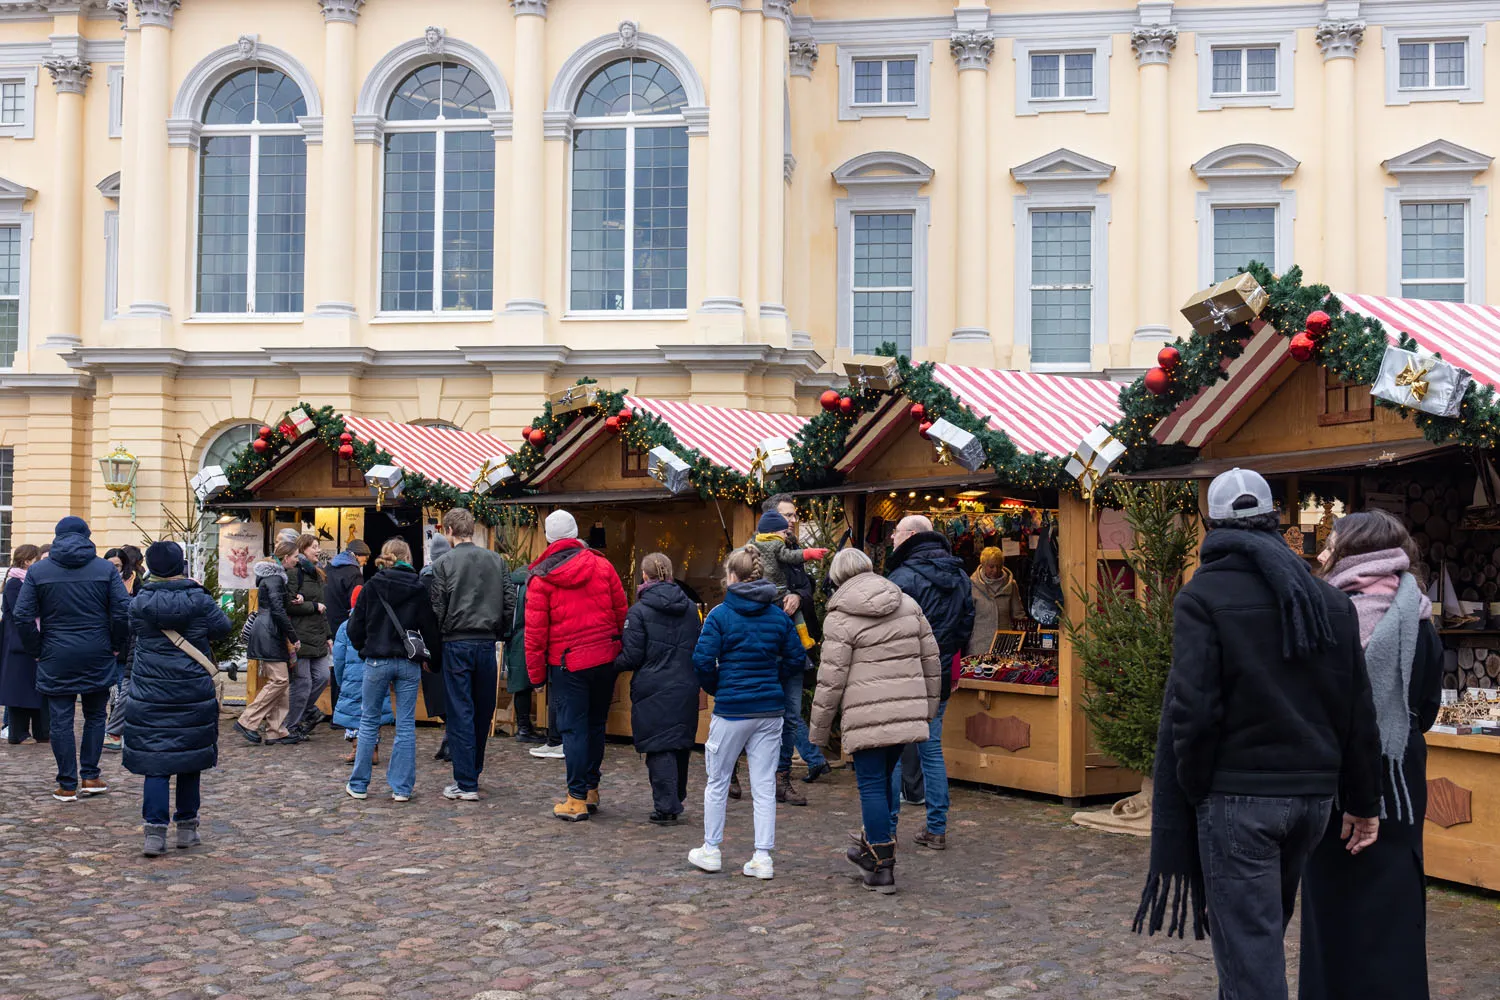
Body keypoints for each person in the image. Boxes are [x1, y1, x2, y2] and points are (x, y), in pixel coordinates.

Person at [1136, 468, 1381, 1000]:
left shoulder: (1202, 597)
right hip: (1311, 799)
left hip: (1237, 795)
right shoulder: (1331, 602)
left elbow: (1194, 709)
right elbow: (1357, 710)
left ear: (1212, 524)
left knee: (1251, 949)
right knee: (1261, 936)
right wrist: (1364, 801)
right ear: (1274, 520)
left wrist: (1197, 788)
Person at [1300, 510, 1443, 999]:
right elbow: (1426, 708)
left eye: (1331, 541)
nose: (1323, 551)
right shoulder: (1418, 614)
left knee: (1330, 912)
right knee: (1396, 911)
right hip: (1400, 784)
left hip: (1334, 782)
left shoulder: (1326, 613)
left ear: (1352, 550)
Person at [810, 548, 940, 894]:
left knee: (870, 784)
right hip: (904, 713)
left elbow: (830, 678)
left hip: (866, 714)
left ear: (837, 578)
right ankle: (872, 849)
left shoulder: (839, 616)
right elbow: (931, 660)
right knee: (882, 781)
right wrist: (926, 710)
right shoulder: (908, 604)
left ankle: (882, 864)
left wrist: (818, 732)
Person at [688, 546, 806, 880]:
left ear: (732, 577)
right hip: (769, 709)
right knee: (765, 784)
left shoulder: (720, 615)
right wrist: (773, 681)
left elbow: (701, 660)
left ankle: (711, 849)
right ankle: (762, 856)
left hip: (732, 708)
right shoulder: (779, 617)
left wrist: (717, 686)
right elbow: (797, 660)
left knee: (717, 781)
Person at [123, 541, 231, 856]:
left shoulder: (140, 602)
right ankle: (187, 830)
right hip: (191, 689)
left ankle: (154, 835)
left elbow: (129, 631)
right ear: (180, 566)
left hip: (150, 691)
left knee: (155, 764)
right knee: (188, 760)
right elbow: (223, 628)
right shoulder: (197, 599)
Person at [14, 516, 132, 802]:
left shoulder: (39, 571)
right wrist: (115, 645)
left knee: (61, 720)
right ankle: (90, 776)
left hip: (55, 653)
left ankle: (67, 783)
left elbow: (22, 615)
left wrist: (38, 650)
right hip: (97, 650)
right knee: (95, 715)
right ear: (87, 536)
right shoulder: (105, 568)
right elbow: (122, 612)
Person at [526, 509, 628, 821]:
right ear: (575, 533)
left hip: (568, 662)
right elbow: (621, 609)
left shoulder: (542, 577)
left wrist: (536, 676)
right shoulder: (602, 564)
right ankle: (591, 788)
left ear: (548, 538)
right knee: (596, 725)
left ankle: (576, 797)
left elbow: (535, 632)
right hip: (604, 657)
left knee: (573, 729)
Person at [884, 514, 974, 850]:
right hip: (940, 670)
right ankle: (936, 827)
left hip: (905, 672)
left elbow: (889, 629)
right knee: (931, 749)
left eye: (895, 533)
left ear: (909, 536)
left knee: (891, 751)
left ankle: (887, 829)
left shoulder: (902, 576)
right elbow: (966, 627)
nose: (892, 538)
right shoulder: (961, 575)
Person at [345, 538, 442, 803]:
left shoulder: (371, 586)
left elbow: (354, 628)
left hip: (376, 660)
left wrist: (364, 647)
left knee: (368, 722)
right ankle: (401, 788)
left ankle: (360, 784)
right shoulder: (418, 588)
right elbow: (430, 629)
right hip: (408, 662)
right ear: (408, 558)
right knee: (406, 725)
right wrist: (434, 661)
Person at [429, 508, 514, 802]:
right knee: (482, 708)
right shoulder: (495, 560)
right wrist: (501, 632)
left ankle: (466, 781)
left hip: (456, 640)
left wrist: (437, 641)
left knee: (461, 710)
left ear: (450, 531)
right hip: (486, 641)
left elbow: (437, 605)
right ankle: (472, 772)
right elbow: (509, 600)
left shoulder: (445, 562)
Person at [615, 552, 703, 825]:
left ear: (644, 575)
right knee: (679, 742)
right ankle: (676, 796)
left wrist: (605, 663)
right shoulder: (690, 608)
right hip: (686, 683)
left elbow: (631, 657)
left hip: (653, 685)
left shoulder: (638, 611)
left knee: (659, 746)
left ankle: (666, 806)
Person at [234, 540, 304, 746]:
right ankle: (247, 721)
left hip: (269, 632)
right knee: (280, 681)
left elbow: (277, 604)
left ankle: (276, 730)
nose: (297, 560)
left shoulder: (273, 578)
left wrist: (294, 599)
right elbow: (277, 610)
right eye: (295, 556)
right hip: (269, 633)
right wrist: (293, 636)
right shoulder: (274, 578)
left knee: (281, 682)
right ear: (285, 558)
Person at [332, 586, 391, 765]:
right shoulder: (380, 624)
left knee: (354, 715)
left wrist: (340, 679)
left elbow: (339, 656)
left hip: (352, 677)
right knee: (374, 712)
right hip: (377, 674)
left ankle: (358, 749)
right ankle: (373, 749)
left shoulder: (345, 626)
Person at [284, 534, 333, 735]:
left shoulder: (317, 574)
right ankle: (291, 726)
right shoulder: (295, 573)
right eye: (314, 546)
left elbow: (323, 609)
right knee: (302, 684)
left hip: (318, 635)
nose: (318, 550)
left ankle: (303, 712)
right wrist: (312, 606)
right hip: (300, 636)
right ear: (303, 549)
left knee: (322, 677)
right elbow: (287, 604)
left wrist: (329, 635)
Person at [0, 545, 48, 744]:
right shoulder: (15, 583)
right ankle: (18, 733)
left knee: (37, 690)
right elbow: (23, 611)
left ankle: (42, 731)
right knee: (19, 692)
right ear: (28, 561)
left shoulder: (31, 581)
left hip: (34, 640)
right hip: (19, 643)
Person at [102, 545, 144, 753]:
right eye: (111, 565)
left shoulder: (135, 582)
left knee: (122, 686)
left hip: (126, 642)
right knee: (111, 688)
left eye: (117, 565)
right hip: (106, 640)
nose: (114, 569)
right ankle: (113, 729)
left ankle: (116, 730)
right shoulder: (101, 580)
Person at [323, 538, 370, 715]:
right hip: (346, 624)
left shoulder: (330, 568)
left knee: (337, 665)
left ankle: (335, 711)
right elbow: (357, 602)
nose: (365, 562)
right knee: (349, 669)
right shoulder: (354, 573)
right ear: (358, 556)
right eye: (365, 558)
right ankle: (344, 713)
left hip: (329, 622)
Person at [505, 564, 545, 744]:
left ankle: (524, 726)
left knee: (521, 684)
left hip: (514, 637)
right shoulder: (531, 585)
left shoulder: (511, 585)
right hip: (527, 634)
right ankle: (524, 729)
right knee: (524, 685)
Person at [967, 546, 1025, 656]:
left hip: (1006, 645)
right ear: (983, 565)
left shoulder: (1011, 585)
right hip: (979, 645)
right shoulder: (971, 585)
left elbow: (1019, 615)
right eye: (991, 566)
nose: (995, 570)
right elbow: (966, 617)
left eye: (999, 566)